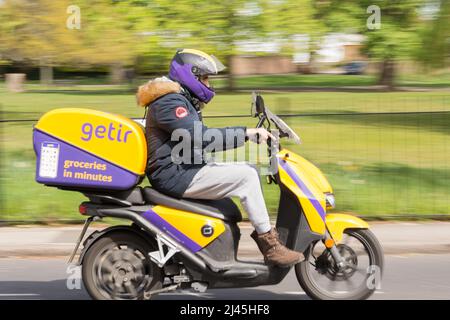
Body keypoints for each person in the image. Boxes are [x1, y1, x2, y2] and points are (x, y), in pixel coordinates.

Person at [136, 49, 304, 267]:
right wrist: (247, 133)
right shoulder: (170, 103)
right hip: (176, 176)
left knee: (246, 168)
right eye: (205, 78)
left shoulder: (179, 98)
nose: (208, 84)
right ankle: (271, 247)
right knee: (248, 175)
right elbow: (201, 137)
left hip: (185, 168)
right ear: (190, 75)